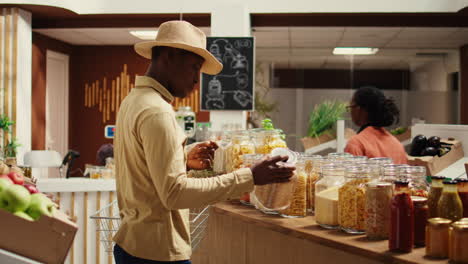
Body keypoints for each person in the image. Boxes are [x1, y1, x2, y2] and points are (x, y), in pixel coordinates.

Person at [113, 20, 295, 264]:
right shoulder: (158, 112)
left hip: (132, 244)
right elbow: (174, 194)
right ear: (169, 56)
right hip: (156, 252)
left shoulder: (134, 101)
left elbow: (142, 166)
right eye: (193, 67)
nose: (197, 80)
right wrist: (250, 177)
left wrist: (182, 157)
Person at [345, 86, 408, 164]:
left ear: (359, 109)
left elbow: (351, 175)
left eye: (351, 107)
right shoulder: (397, 145)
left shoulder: (357, 144)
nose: (350, 111)